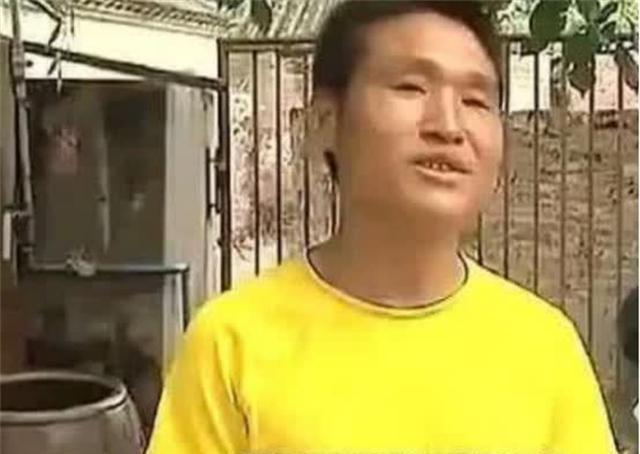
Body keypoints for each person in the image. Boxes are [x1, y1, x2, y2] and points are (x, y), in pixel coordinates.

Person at [147, 2, 617, 453]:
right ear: (325, 121)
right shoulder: (231, 344)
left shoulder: (544, 349)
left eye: (475, 100)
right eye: (411, 88)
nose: (448, 126)